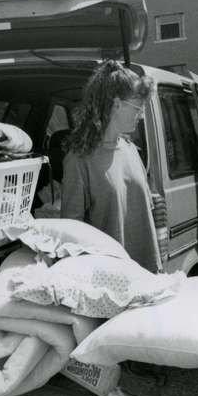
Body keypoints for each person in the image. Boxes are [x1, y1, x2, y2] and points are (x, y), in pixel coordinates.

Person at [61, 60, 161, 272]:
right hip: (110, 283)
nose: (142, 115)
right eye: (138, 107)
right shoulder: (79, 160)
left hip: (147, 277)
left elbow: (147, 218)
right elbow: (71, 236)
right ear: (116, 104)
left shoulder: (131, 150)